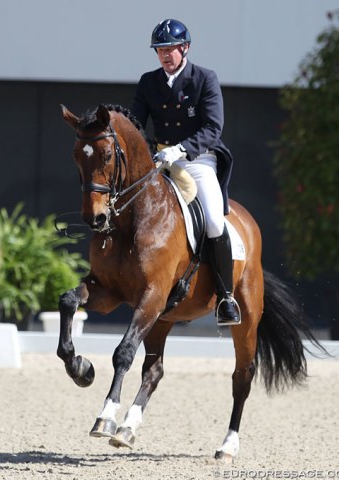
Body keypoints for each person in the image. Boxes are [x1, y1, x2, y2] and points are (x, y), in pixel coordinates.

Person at [131, 18, 240, 326]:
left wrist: (180, 150)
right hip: (160, 161)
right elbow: (137, 124)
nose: (165, 55)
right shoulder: (148, 82)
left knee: (214, 222)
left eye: (170, 49)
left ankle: (226, 296)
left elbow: (213, 127)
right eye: (160, 50)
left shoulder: (204, 78)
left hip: (197, 160)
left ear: (185, 48)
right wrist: (148, 150)